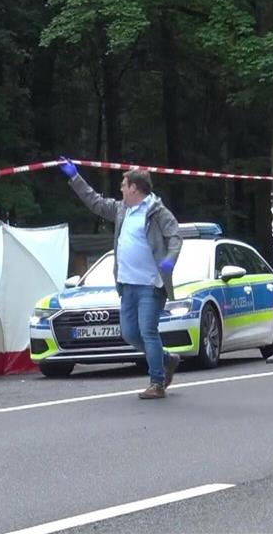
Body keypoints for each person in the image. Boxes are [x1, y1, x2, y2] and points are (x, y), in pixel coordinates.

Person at [59, 158, 182, 399]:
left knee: (148, 331)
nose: (121, 189)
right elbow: (95, 202)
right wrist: (74, 177)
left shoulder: (157, 212)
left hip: (150, 285)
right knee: (129, 334)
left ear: (135, 188)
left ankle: (157, 383)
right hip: (127, 284)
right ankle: (167, 359)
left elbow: (175, 237)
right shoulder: (121, 210)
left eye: (124, 185)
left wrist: (170, 259)